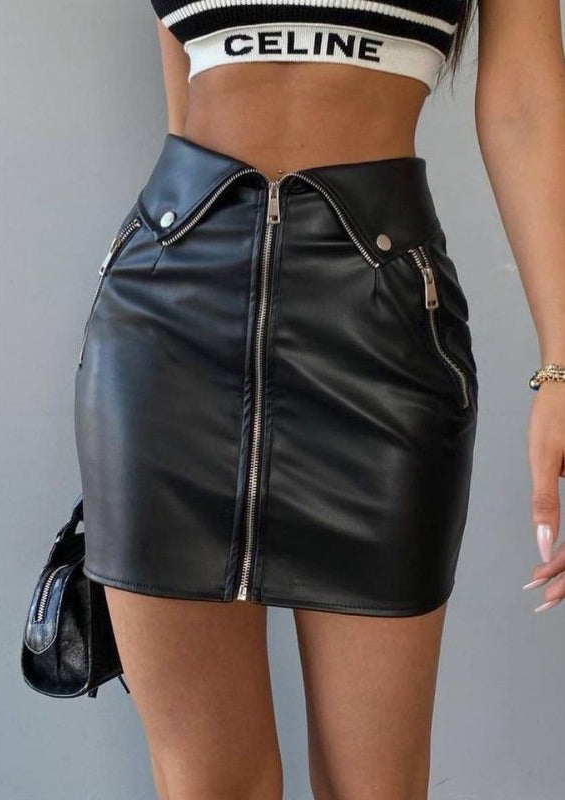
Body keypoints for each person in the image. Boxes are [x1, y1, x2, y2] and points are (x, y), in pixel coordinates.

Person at [72, 1, 565, 798]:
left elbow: (526, 105)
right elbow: (189, 90)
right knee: (207, 786)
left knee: (373, 787)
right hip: (165, 330)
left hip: (379, 332)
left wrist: (562, 366)